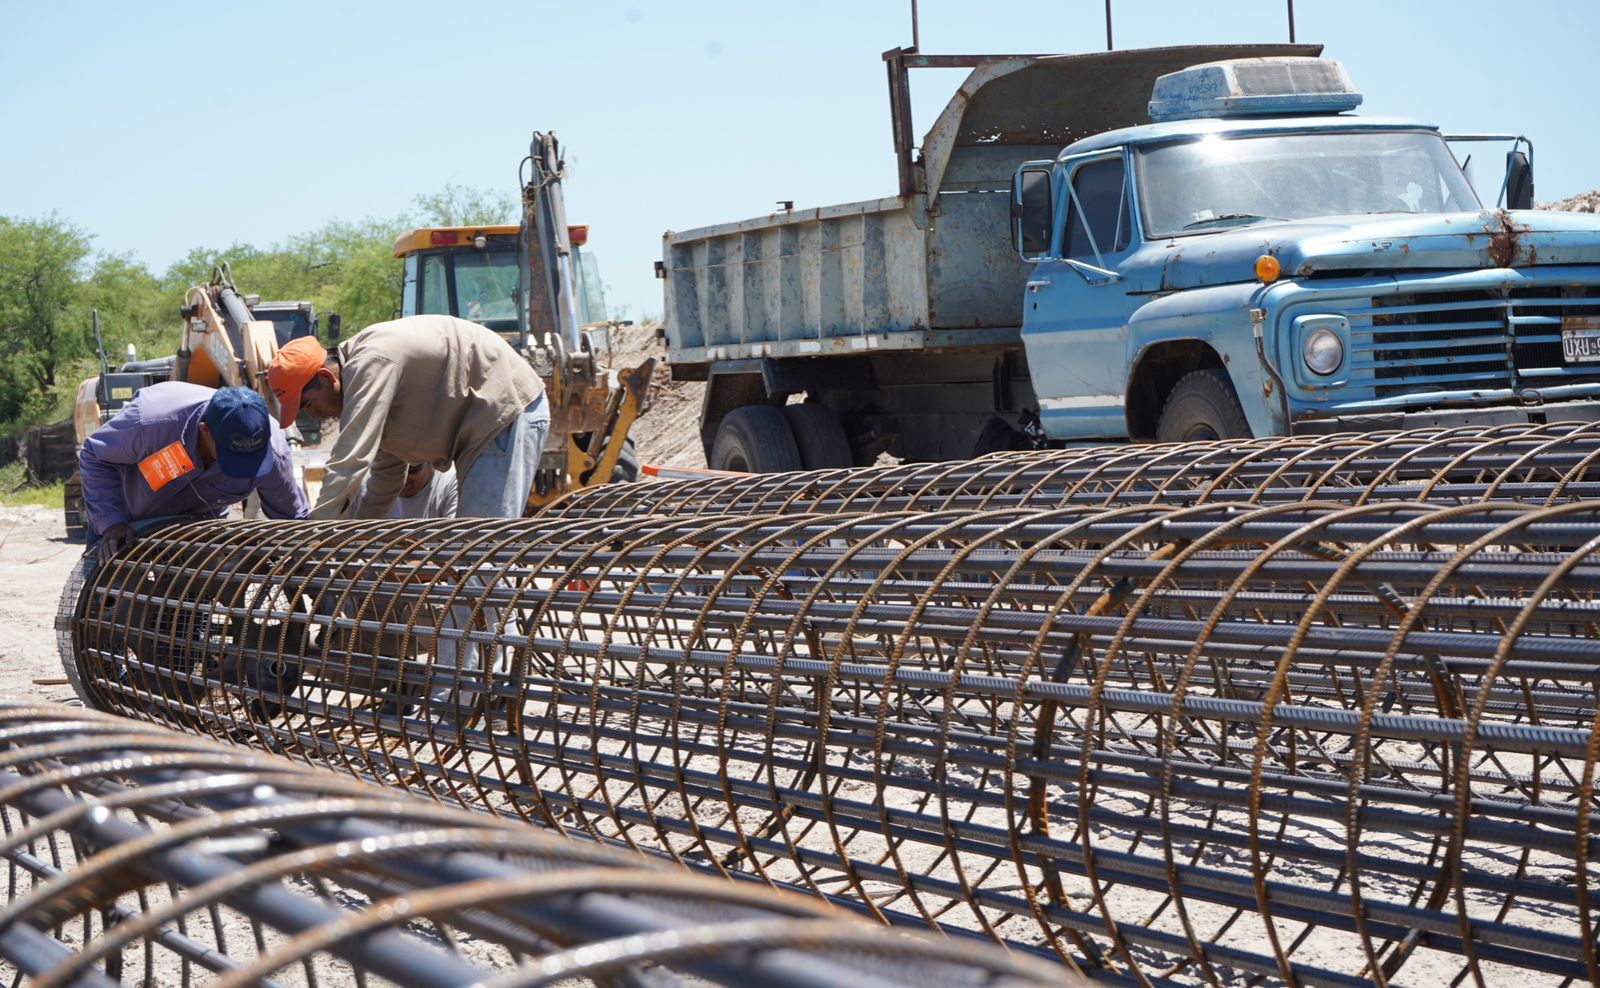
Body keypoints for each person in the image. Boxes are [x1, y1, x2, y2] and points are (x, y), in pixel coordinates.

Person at [267, 314, 547, 521]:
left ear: (327, 377)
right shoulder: (369, 380)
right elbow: (386, 475)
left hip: (504, 415)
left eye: (307, 404)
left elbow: (350, 459)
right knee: (472, 556)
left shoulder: (370, 363)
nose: (313, 415)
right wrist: (356, 541)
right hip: (482, 430)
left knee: (480, 555)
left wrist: (316, 536)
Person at [78, 382, 309, 564]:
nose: (244, 467)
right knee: (107, 602)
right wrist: (111, 522)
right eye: (233, 457)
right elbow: (94, 454)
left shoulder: (274, 451)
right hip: (128, 523)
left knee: (191, 609)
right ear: (205, 430)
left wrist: (311, 571)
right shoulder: (151, 423)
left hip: (197, 533)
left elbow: (293, 520)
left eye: (251, 460)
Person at [369, 461, 458, 520]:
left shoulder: (453, 479)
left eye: (411, 468)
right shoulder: (367, 480)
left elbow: (457, 542)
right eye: (391, 468)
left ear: (433, 462)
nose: (402, 477)